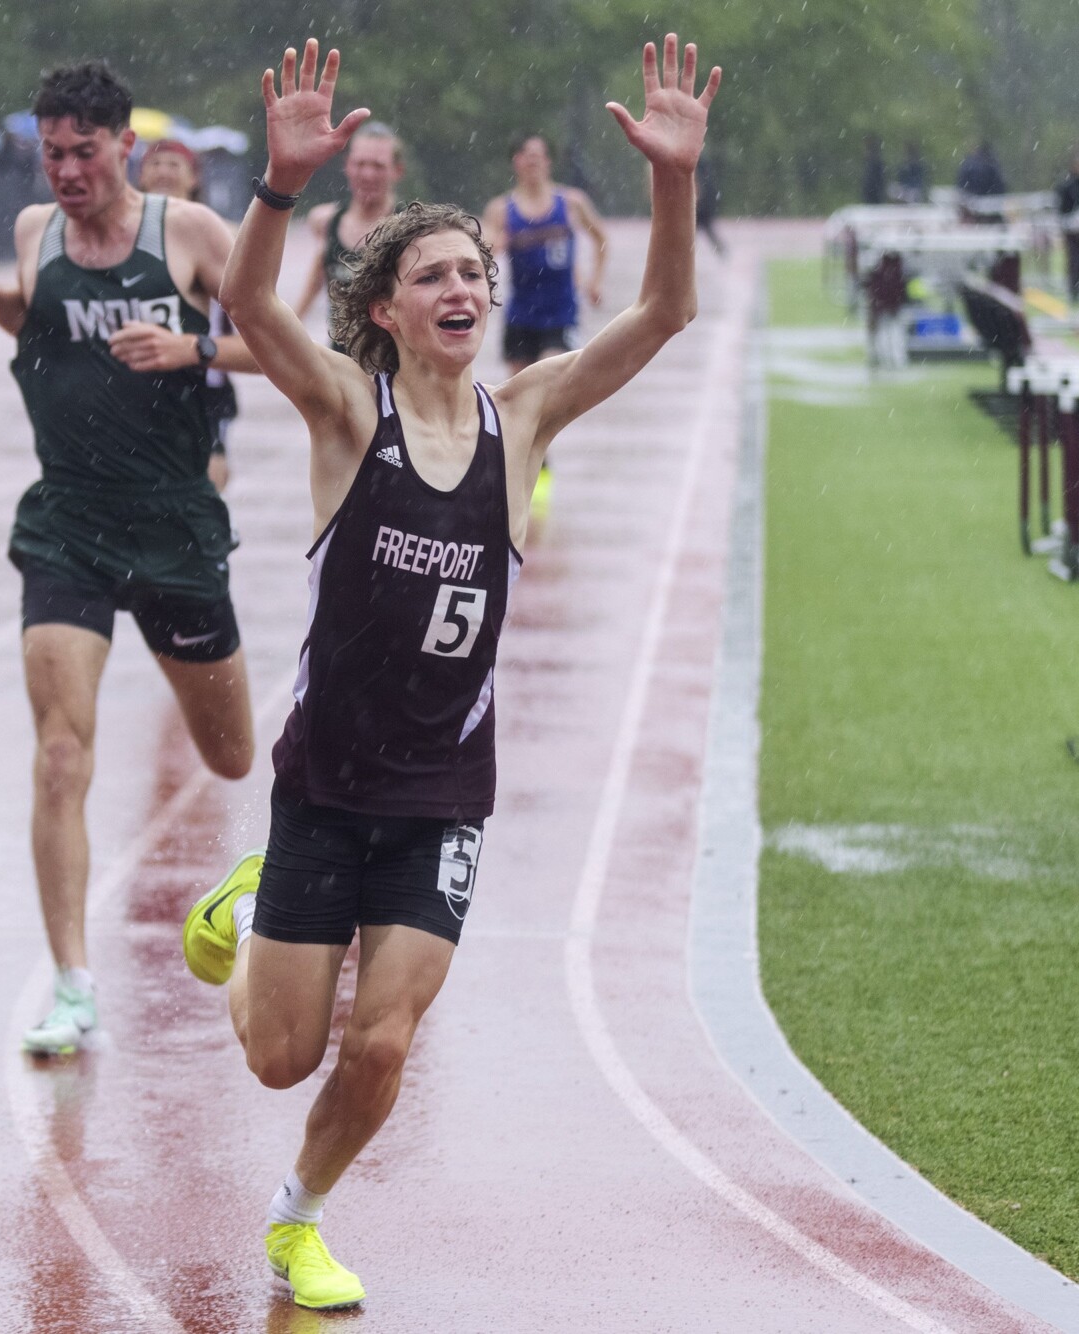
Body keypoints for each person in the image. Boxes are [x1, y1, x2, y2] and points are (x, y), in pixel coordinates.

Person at [185, 34, 717, 1312]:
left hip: (440, 788)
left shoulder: (520, 416)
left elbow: (662, 312)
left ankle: (296, 1216)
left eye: (470, 270)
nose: (459, 286)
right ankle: (254, 911)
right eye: (430, 273)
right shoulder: (345, 414)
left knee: (381, 1041)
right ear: (386, 308)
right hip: (325, 785)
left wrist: (671, 181)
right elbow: (251, 313)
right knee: (279, 1053)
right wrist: (276, 187)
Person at [0, 61, 261, 1055]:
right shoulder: (36, 233)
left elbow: (295, 348)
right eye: (52, 154)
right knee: (60, 755)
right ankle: (72, 983)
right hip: (66, 523)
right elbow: (41, 334)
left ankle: (262, 881)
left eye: (84, 151)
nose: (67, 171)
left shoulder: (190, 235)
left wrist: (192, 349)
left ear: (124, 144)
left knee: (230, 755)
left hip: (172, 528)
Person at [483, 131, 610, 516]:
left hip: (560, 313)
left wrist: (593, 281)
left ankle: (536, 461)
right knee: (522, 396)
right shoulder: (502, 210)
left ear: (548, 162)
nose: (533, 162)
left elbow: (601, 237)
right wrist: (493, 248)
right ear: (516, 163)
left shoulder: (570, 203)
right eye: (525, 156)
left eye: (539, 155)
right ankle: (539, 461)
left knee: (544, 385)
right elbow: (483, 251)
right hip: (521, 315)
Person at [139, 138, 240, 491]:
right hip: (139, 374)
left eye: (173, 164)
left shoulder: (222, 232)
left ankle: (208, 534)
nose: (164, 172)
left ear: (194, 177)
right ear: (140, 175)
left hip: (204, 375)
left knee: (209, 475)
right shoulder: (128, 231)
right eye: (156, 163)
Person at [291, 123, 405, 351]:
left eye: (378, 166)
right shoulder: (325, 222)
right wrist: (288, 330)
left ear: (397, 171)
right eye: (360, 164)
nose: (368, 174)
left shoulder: (409, 226)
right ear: (348, 166)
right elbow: (317, 280)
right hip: (340, 358)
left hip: (394, 362)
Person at [1056, 147, 1079, 301]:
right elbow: (1062, 207)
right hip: (1072, 229)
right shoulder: (1066, 184)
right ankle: (1074, 290)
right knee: (1074, 260)